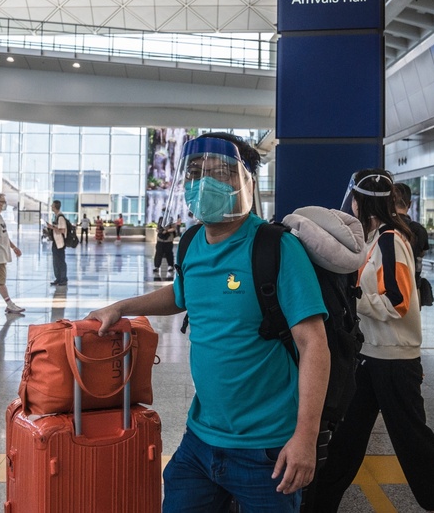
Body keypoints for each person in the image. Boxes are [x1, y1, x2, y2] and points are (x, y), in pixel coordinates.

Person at [87, 132, 329, 511]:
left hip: (266, 448)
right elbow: (180, 294)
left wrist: (305, 438)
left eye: (220, 172)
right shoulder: (191, 242)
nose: (203, 183)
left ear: (247, 182)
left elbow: (313, 343)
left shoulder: (276, 248)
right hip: (200, 440)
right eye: (195, 173)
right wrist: (121, 307)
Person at [316, 169, 434, 513]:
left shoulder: (391, 241)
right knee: (347, 437)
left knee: (411, 437)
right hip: (369, 356)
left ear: (362, 202)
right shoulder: (373, 239)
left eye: (354, 198)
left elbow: (398, 301)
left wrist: (355, 299)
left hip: (394, 362)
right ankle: (319, 504)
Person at [393, 183, 430, 303]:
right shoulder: (419, 230)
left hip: (386, 291)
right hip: (413, 288)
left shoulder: (384, 228)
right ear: (409, 204)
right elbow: (422, 254)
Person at [47, 200, 68, 286]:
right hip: (56, 242)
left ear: (55, 207)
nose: (51, 207)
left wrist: (52, 227)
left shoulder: (60, 217)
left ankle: (63, 279)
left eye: (52, 206)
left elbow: (62, 230)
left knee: (60, 261)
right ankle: (58, 278)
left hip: (60, 243)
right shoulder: (56, 216)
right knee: (56, 261)